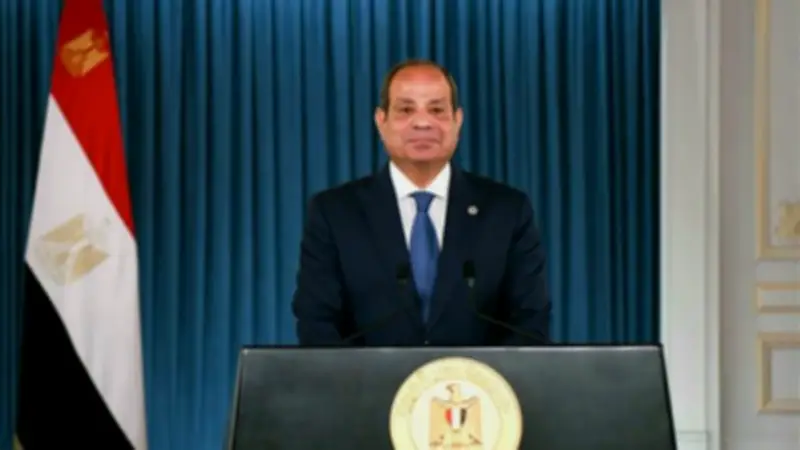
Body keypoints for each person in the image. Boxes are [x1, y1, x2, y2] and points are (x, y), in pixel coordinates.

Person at [291, 59, 551, 346]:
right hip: (367, 376)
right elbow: (317, 323)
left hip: (474, 377)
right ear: (381, 121)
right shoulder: (334, 212)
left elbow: (530, 322)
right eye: (405, 110)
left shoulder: (506, 211)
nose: (423, 123)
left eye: (437, 110)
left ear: (458, 120)